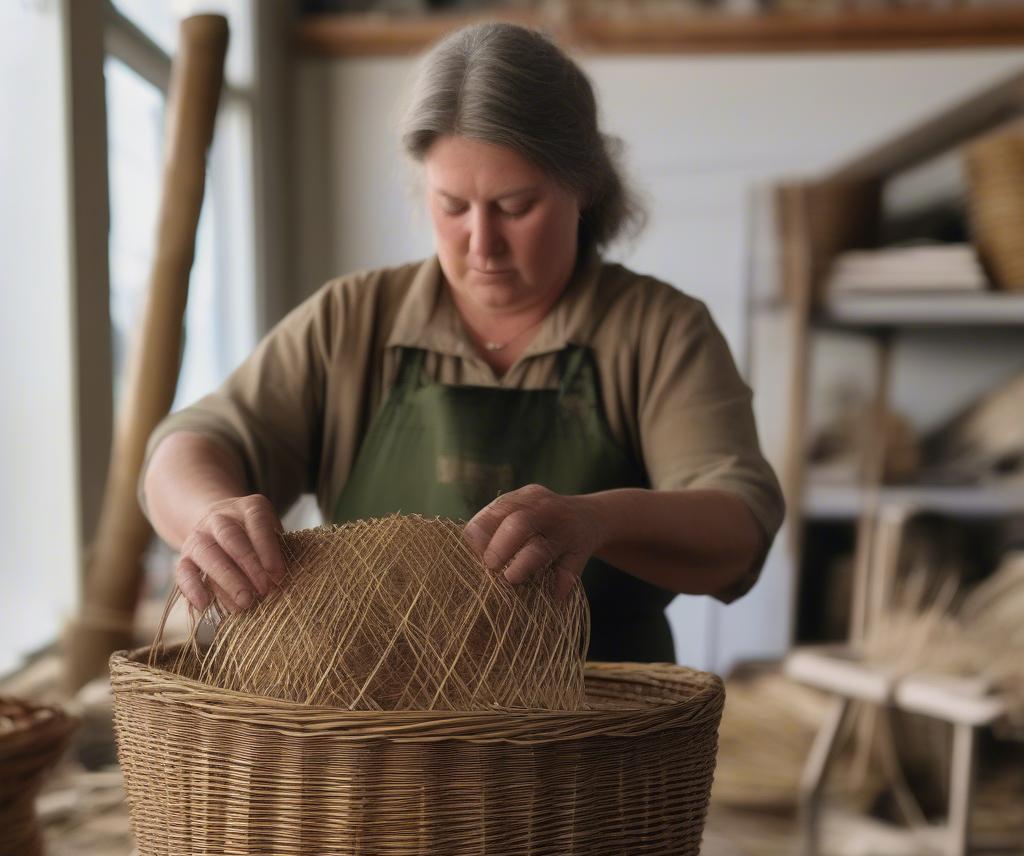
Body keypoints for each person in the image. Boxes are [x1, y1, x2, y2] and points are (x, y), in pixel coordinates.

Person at [141, 22, 784, 663]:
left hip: (597, 738)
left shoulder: (658, 331)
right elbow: (189, 446)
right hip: (375, 736)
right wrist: (209, 516)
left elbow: (738, 526)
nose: (482, 244)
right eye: (452, 206)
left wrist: (598, 519)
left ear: (584, 185)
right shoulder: (353, 319)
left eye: (514, 206)